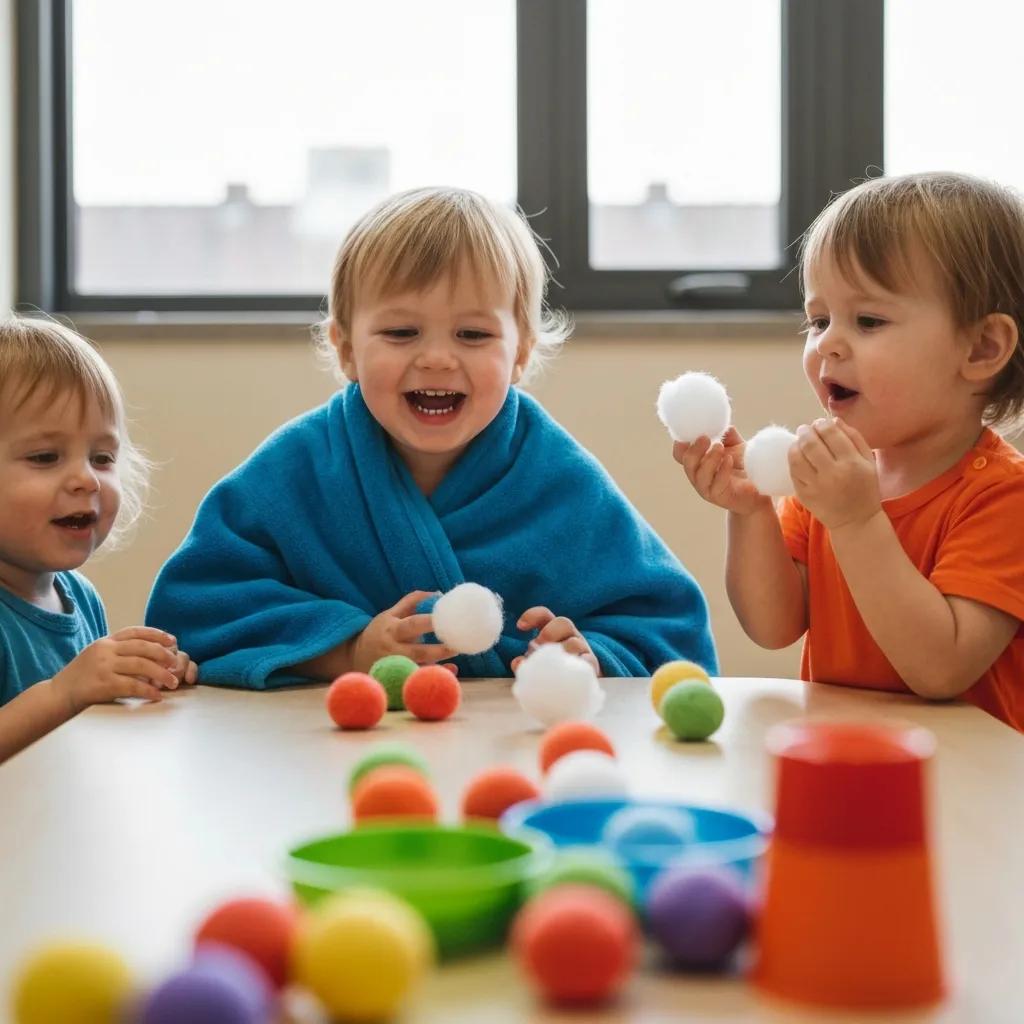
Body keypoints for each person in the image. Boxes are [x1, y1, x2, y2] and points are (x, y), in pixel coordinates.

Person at [146, 186, 717, 685]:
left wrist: (591, 656)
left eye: (472, 333)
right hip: (337, 744)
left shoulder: (559, 479)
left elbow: (667, 630)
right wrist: (348, 649)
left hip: (509, 751)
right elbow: (195, 608)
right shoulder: (295, 470)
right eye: (400, 332)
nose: (438, 358)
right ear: (345, 348)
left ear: (519, 353)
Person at [675, 172, 1024, 731]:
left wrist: (858, 521)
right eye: (819, 319)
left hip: (969, 780)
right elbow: (773, 626)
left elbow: (942, 668)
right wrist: (750, 512)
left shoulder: (1003, 497)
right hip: (842, 752)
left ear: (982, 348)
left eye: (868, 320)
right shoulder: (833, 480)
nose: (827, 344)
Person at [0, 316, 197, 762]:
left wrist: (142, 673)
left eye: (102, 457)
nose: (86, 479)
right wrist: (63, 693)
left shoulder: (79, 597)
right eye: (45, 456)